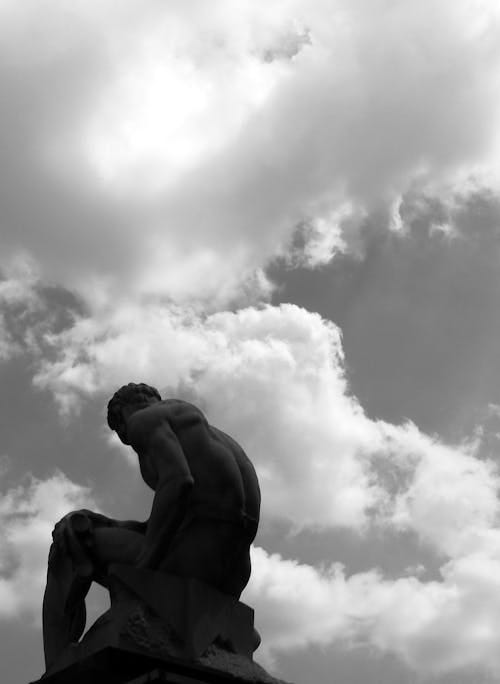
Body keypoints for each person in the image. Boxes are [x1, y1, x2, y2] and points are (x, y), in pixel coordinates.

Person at [42, 383, 261, 669]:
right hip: (231, 575)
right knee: (97, 531)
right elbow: (182, 519)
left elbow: (178, 481)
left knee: (69, 544)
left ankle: (57, 666)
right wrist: (112, 524)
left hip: (190, 562)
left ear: (122, 421)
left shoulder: (142, 421)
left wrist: (144, 565)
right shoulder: (210, 434)